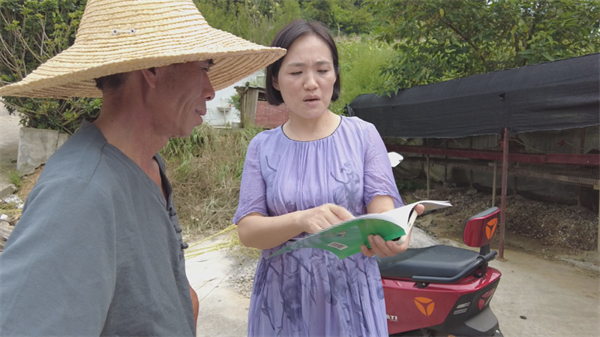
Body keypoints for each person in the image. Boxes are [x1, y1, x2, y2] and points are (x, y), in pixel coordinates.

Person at [0, 0, 284, 335]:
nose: (210, 91)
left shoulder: (147, 164)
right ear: (153, 69)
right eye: (205, 68)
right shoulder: (80, 191)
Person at [234, 19, 424, 336]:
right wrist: (302, 219)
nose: (311, 83)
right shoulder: (262, 148)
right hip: (283, 303)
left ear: (334, 74)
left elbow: (382, 211)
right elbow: (249, 231)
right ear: (276, 80)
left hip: (352, 299)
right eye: (296, 72)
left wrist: (394, 235)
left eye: (322, 70)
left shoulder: (363, 135)